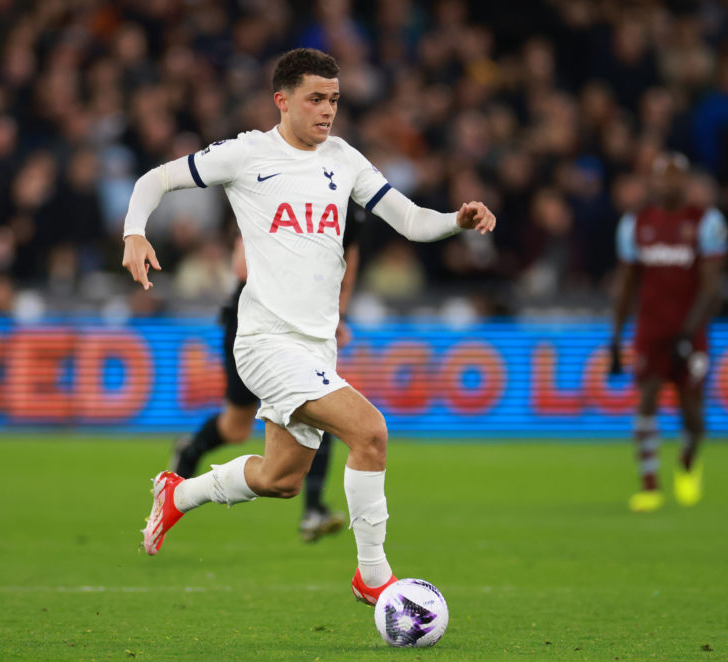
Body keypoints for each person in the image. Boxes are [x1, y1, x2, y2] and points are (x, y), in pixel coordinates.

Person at [121, 48, 495, 605]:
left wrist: (455, 222)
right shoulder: (247, 154)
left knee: (281, 479)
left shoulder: (344, 159)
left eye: (335, 100)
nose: (327, 111)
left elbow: (412, 221)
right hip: (265, 341)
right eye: (316, 99)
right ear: (283, 100)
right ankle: (373, 576)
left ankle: (180, 493)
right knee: (370, 433)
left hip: (317, 347)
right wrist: (134, 231)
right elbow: (157, 178)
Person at [170, 205, 363, 542]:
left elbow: (349, 261)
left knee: (322, 405)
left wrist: (337, 314)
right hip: (252, 321)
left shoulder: (349, 207)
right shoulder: (270, 192)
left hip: (303, 325)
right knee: (235, 427)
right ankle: (190, 452)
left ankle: (313, 509)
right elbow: (241, 266)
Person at [609, 152, 728, 512]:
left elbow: (711, 287)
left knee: (693, 414)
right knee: (646, 399)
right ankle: (649, 486)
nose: (669, 183)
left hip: (691, 333)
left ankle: (689, 463)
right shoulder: (636, 224)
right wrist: (615, 336)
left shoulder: (707, 222)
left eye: (677, 177)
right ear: (654, 181)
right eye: (663, 177)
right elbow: (627, 284)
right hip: (651, 329)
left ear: (687, 181)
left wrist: (689, 332)